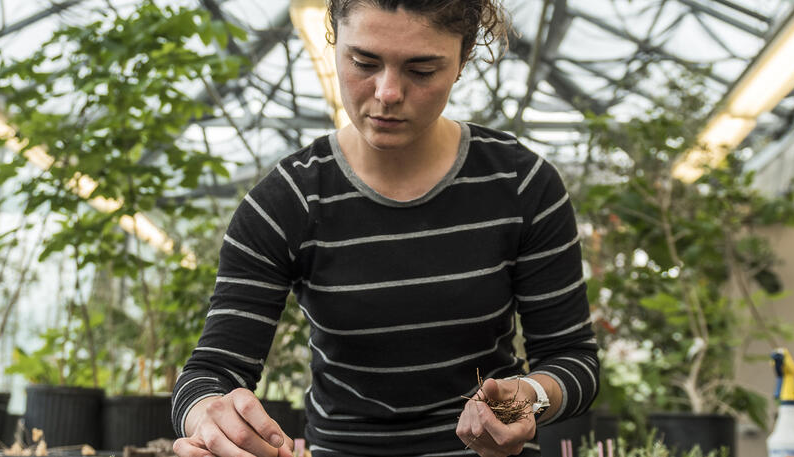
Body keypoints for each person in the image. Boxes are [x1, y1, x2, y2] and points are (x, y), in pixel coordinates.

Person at [170, 1, 599, 455]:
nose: (388, 92)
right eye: (364, 62)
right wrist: (209, 415)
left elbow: (573, 359)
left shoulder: (520, 184)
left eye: (422, 69)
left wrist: (528, 398)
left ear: (464, 55)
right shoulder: (286, 201)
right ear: (333, 38)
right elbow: (211, 371)